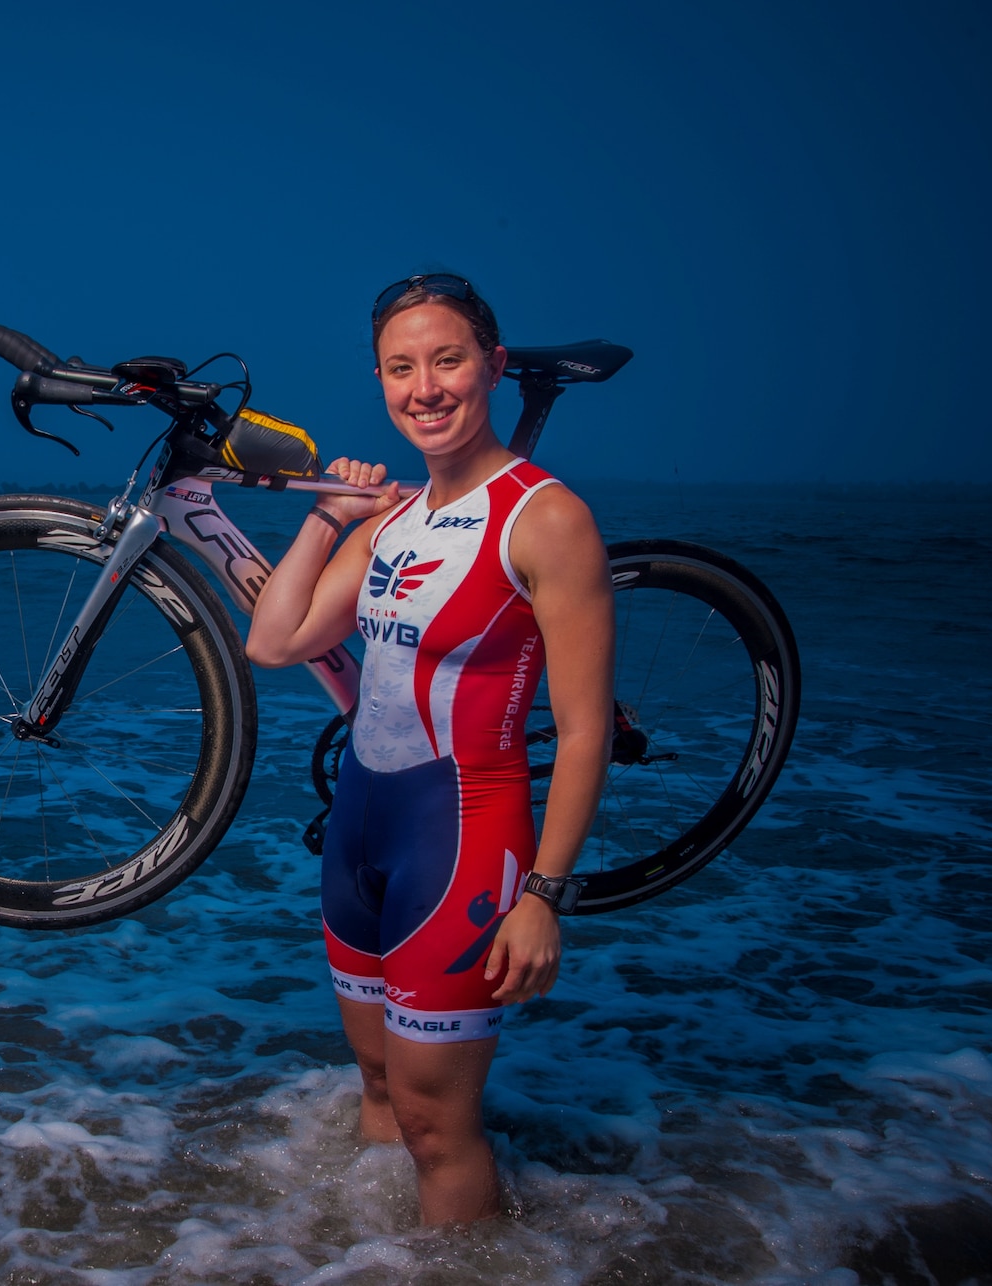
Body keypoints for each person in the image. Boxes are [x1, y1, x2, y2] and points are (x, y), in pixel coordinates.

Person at [246, 273, 615, 1225]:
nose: (426, 388)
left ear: (491, 368)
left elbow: (583, 732)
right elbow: (273, 641)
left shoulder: (546, 518)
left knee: (437, 1123)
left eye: (447, 360)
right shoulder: (395, 521)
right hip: (360, 834)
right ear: (379, 381)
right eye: (400, 368)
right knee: (377, 1084)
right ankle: (373, 1251)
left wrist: (543, 897)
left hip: (462, 840)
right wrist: (332, 512)